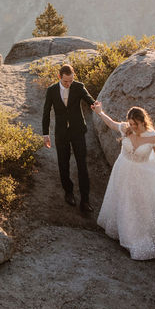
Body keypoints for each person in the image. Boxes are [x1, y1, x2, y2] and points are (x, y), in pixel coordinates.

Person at [92, 104, 155, 260]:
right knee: (123, 200)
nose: (133, 127)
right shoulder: (126, 128)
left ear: (144, 121)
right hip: (123, 170)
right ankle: (121, 231)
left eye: (135, 124)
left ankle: (135, 236)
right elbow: (111, 123)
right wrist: (100, 112)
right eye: (130, 123)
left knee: (138, 204)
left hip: (140, 175)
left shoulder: (153, 137)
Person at [42, 64, 99, 214]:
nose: (69, 84)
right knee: (63, 163)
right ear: (59, 77)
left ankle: (85, 201)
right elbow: (46, 112)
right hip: (61, 133)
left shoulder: (79, 87)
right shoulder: (52, 91)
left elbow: (90, 100)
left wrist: (95, 105)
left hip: (78, 131)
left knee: (82, 165)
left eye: (71, 80)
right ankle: (68, 192)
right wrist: (45, 134)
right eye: (66, 81)